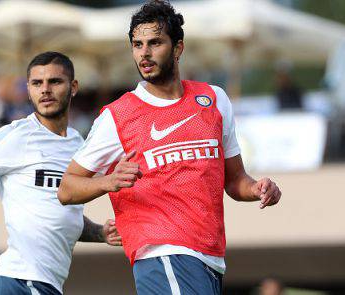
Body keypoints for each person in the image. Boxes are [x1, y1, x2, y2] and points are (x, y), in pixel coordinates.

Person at [57, 1, 281, 294]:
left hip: (210, 258)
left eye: (155, 43)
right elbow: (66, 189)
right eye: (137, 45)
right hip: (162, 254)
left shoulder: (214, 99)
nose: (144, 53)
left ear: (178, 48)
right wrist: (108, 181)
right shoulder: (118, 115)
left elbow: (235, 179)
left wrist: (257, 189)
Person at [0, 51, 121, 295]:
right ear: (28, 89)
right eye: (37, 83)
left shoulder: (78, 143)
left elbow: (63, 218)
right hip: (21, 280)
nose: (45, 90)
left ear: (74, 87)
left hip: (44, 284)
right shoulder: (15, 136)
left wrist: (100, 233)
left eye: (55, 81)